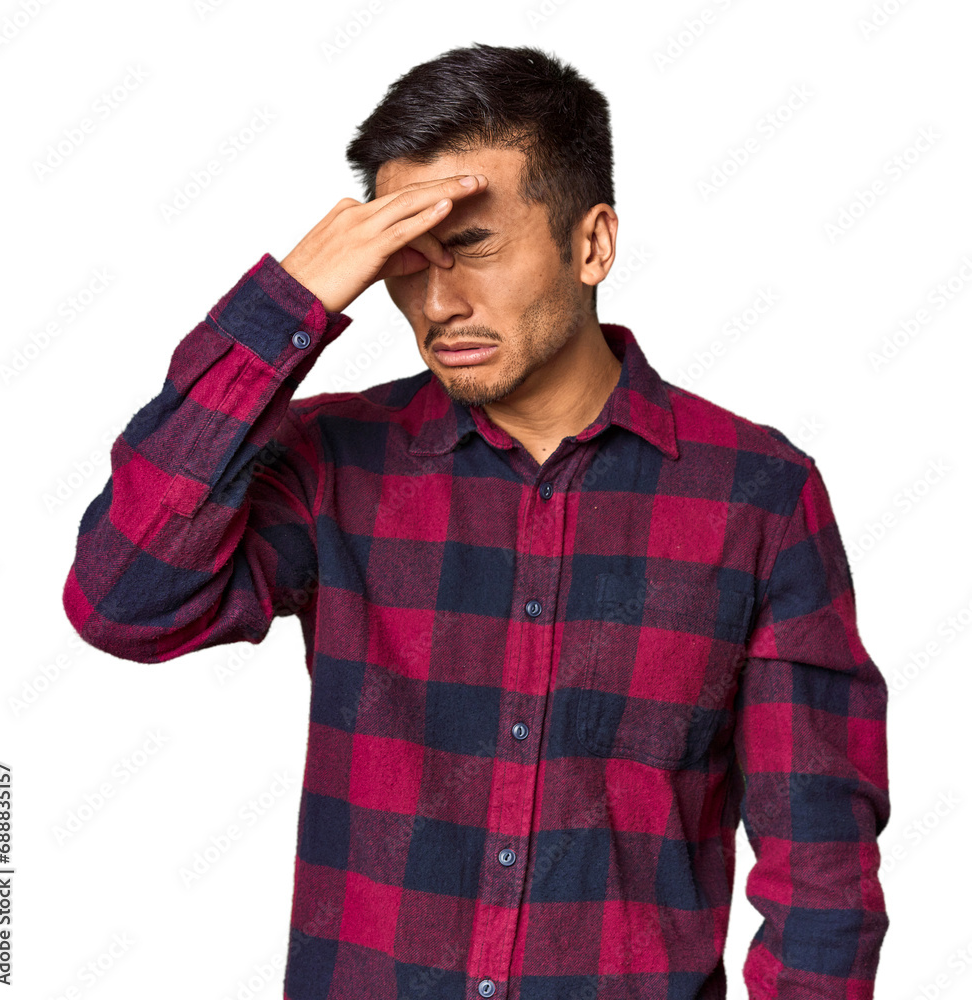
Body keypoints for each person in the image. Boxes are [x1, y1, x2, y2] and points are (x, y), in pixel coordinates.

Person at [62, 42, 890, 1000]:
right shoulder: (333, 462)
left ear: (592, 244)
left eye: (474, 248)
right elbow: (123, 602)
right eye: (402, 264)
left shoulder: (757, 494)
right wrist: (287, 304)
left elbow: (821, 867)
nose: (437, 302)